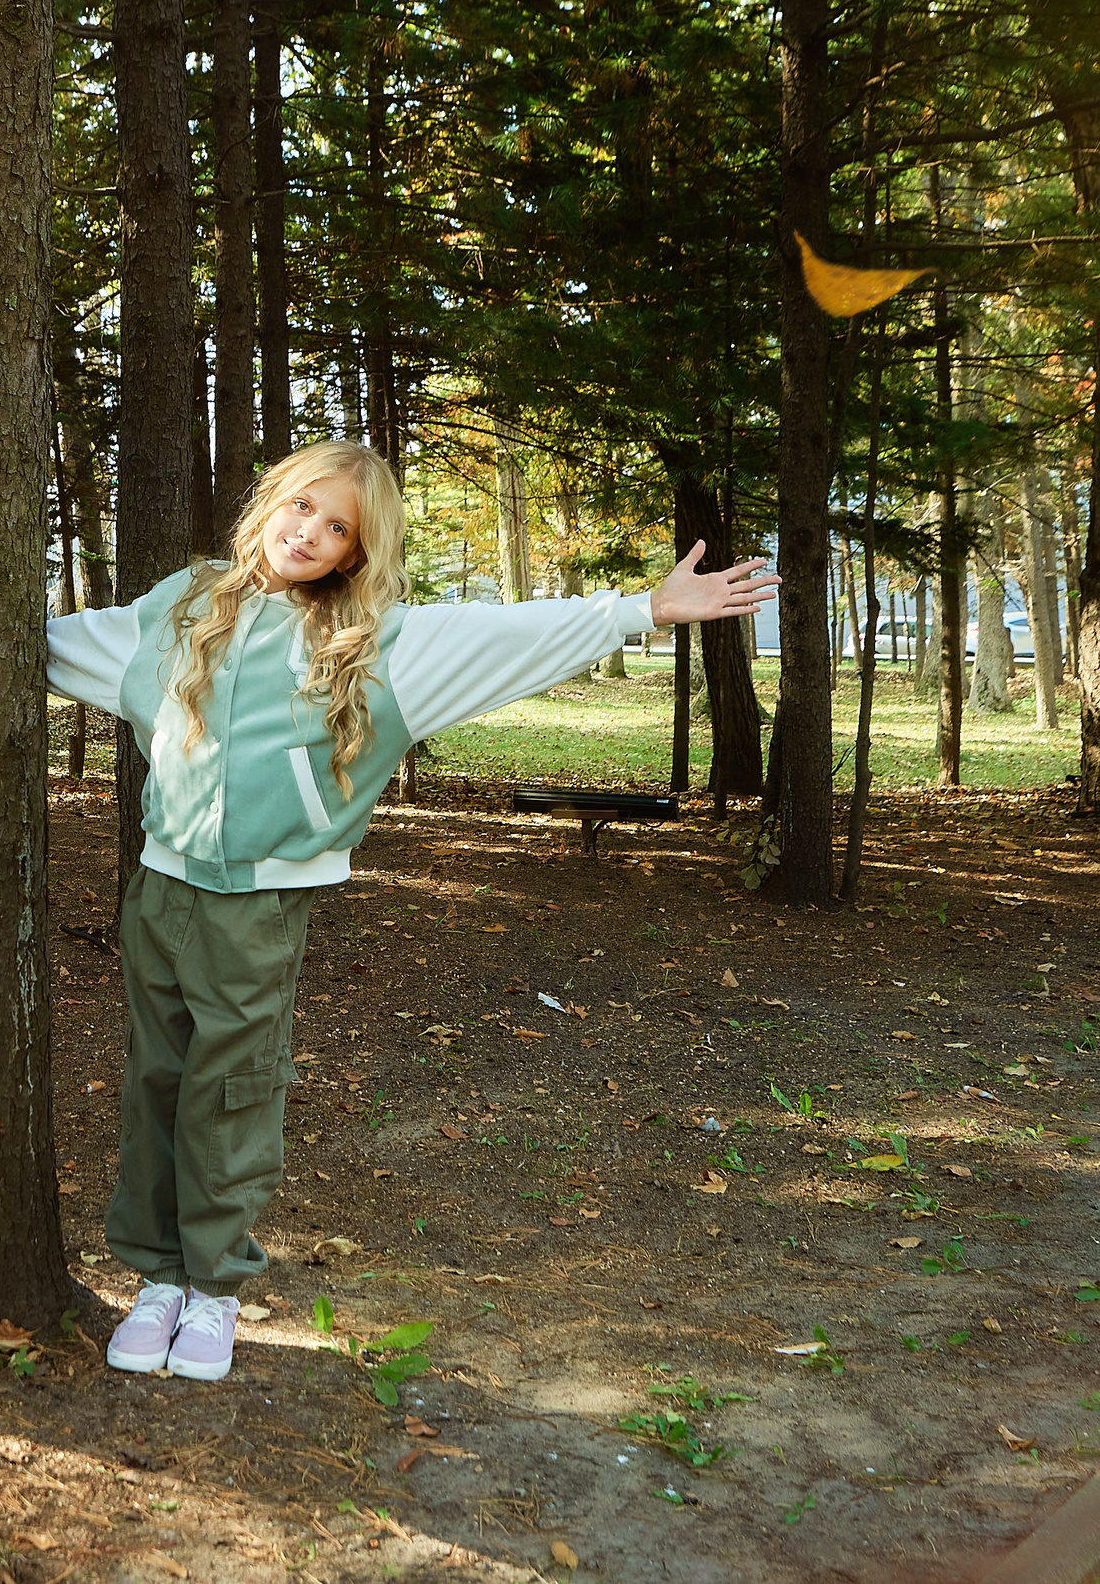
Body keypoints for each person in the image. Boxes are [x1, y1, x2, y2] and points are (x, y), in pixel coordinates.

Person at [47, 441, 775, 1381]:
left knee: (231, 1088)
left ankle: (215, 1287)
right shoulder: (186, 602)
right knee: (156, 1079)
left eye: (337, 524)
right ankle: (155, 1277)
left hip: (260, 903)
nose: (308, 531)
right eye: (301, 506)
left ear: (357, 548)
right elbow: (72, 644)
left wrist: (639, 610)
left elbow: (506, 637)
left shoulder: (376, 640)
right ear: (273, 500)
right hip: (161, 888)